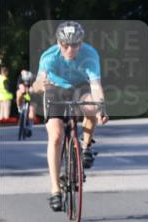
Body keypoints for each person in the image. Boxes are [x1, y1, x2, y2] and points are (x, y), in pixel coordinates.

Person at [31, 21, 109, 211]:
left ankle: (85, 146)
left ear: (81, 43)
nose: (70, 49)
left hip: (80, 86)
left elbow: (96, 86)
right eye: (65, 45)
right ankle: (55, 189)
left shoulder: (90, 55)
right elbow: (37, 84)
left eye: (75, 44)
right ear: (58, 43)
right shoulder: (49, 56)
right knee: (56, 136)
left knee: (91, 105)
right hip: (55, 88)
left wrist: (101, 108)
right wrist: (42, 84)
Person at [15, 70, 35, 136]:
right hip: (23, 93)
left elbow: (33, 89)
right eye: (25, 81)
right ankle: (19, 107)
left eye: (28, 81)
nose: (26, 82)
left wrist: (32, 90)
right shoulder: (20, 79)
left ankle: (30, 127)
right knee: (19, 93)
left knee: (32, 109)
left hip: (29, 95)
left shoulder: (32, 80)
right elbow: (21, 88)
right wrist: (24, 93)